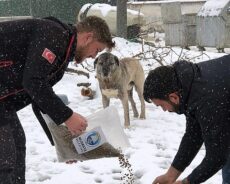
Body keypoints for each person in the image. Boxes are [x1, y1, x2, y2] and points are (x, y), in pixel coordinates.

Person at [0, 15, 115, 184]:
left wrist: (64, 144)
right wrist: (67, 116)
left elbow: (39, 96)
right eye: (96, 50)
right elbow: (33, 82)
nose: (93, 56)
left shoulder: (62, 50)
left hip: (3, 102)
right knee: (5, 155)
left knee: (17, 144)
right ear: (88, 37)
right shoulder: (52, 35)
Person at [143, 55, 230, 184]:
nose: (164, 110)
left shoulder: (207, 99)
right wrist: (170, 175)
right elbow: (193, 135)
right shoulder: (190, 86)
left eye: (161, 105)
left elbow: (217, 157)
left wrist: (187, 182)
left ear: (173, 97)